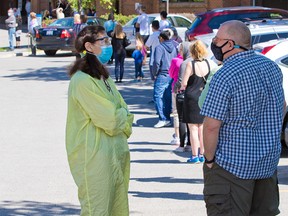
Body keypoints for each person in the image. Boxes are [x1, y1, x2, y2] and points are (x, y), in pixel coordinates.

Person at [201, 20, 286, 215]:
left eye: (217, 39)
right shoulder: (271, 67)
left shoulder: (225, 74)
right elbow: (281, 107)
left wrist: (209, 159)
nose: (213, 43)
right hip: (267, 163)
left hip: (231, 166)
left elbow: (211, 126)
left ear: (230, 44)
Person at [66, 25, 133, 216]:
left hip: (115, 154)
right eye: (103, 41)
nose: (108, 44)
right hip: (95, 157)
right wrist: (122, 118)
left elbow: (125, 110)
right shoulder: (82, 80)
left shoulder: (102, 76)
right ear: (89, 46)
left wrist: (122, 117)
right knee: (98, 209)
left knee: (117, 207)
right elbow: (112, 119)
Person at [181, 40, 210, 163]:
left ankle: (194, 155)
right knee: (202, 128)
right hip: (204, 97)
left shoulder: (190, 65)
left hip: (191, 97)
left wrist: (181, 87)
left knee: (193, 128)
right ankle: (203, 154)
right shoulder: (208, 64)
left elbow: (184, 83)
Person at [153, 30, 177, 128]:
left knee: (158, 96)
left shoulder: (159, 48)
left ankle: (163, 118)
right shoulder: (175, 45)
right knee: (167, 97)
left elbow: (157, 62)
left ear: (162, 38)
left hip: (162, 74)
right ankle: (167, 117)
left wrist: (154, 73)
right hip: (172, 73)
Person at [168, 43, 184, 145]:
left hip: (176, 87)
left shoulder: (175, 61)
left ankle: (177, 136)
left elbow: (171, 73)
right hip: (189, 89)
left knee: (176, 113)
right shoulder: (189, 61)